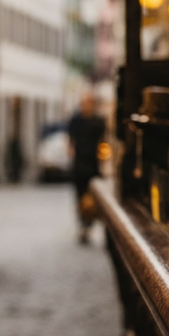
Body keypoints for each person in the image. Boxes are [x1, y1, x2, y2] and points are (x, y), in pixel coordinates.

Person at [67, 93, 107, 243]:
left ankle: (91, 224)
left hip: (94, 164)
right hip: (79, 164)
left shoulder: (98, 122)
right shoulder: (76, 121)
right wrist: (71, 151)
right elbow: (70, 141)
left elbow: (104, 142)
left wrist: (103, 160)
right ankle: (83, 225)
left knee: (94, 198)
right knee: (79, 196)